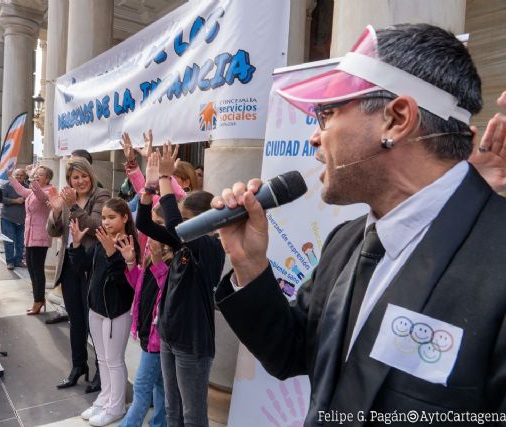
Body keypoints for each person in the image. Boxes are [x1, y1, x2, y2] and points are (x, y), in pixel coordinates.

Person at [212, 24, 506, 422]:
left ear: (396, 119)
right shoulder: (346, 242)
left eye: (327, 114)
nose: (315, 138)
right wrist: (249, 265)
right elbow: (290, 352)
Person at [135, 146, 225, 427]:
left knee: (192, 415)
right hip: (169, 336)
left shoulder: (210, 247)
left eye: (187, 220)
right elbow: (144, 223)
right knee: (172, 409)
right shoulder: (182, 242)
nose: (179, 225)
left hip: (192, 344)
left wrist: (165, 177)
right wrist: (149, 188)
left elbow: (174, 224)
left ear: (202, 221)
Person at [69, 198, 138, 427]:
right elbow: (84, 268)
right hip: (96, 307)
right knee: (101, 358)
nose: (106, 222)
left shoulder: (128, 244)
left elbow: (126, 284)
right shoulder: (101, 239)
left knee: (114, 360)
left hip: (116, 310)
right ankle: (105, 398)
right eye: (105, 217)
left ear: (125, 217)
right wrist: (77, 246)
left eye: (112, 217)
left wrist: (113, 254)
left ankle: (116, 406)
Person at [47, 158, 110, 392]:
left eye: (84, 176)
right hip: (70, 267)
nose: (80, 181)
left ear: (91, 176)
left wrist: (73, 206)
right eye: (75, 177)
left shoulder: (101, 195)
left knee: (94, 323)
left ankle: (101, 372)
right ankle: (78, 366)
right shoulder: (66, 198)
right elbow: (53, 231)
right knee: (76, 321)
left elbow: (96, 225)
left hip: (92, 266)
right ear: (69, 180)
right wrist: (55, 209)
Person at [116, 208, 171, 427]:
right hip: (148, 331)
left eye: (159, 224)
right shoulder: (150, 255)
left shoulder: (174, 256)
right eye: (152, 223)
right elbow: (140, 287)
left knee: (141, 388)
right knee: (159, 386)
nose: (152, 230)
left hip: (159, 338)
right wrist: (131, 262)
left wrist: (157, 259)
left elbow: (167, 288)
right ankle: (160, 423)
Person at [9, 165, 54, 314]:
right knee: (31, 269)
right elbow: (22, 191)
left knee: (37, 270)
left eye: (40, 174)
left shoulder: (49, 191)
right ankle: (38, 298)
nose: (37, 176)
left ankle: (39, 300)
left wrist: (30, 177)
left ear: (47, 178)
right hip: (29, 236)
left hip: (40, 236)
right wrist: (11, 177)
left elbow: (41, 196)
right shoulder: (33, 191)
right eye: (36, 174)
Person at [1, 168, 27, 270]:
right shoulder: (6, 186)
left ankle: (19, 260)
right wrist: (14, 201)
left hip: (22, 219)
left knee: (21, 241)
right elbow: (1, 198)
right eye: (17, 175)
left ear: (25, 177)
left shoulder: (27, 187)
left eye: (21, 175)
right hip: (8, 218)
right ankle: (10, 261)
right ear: (13, 175)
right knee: (9, 241)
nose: (19, 177)